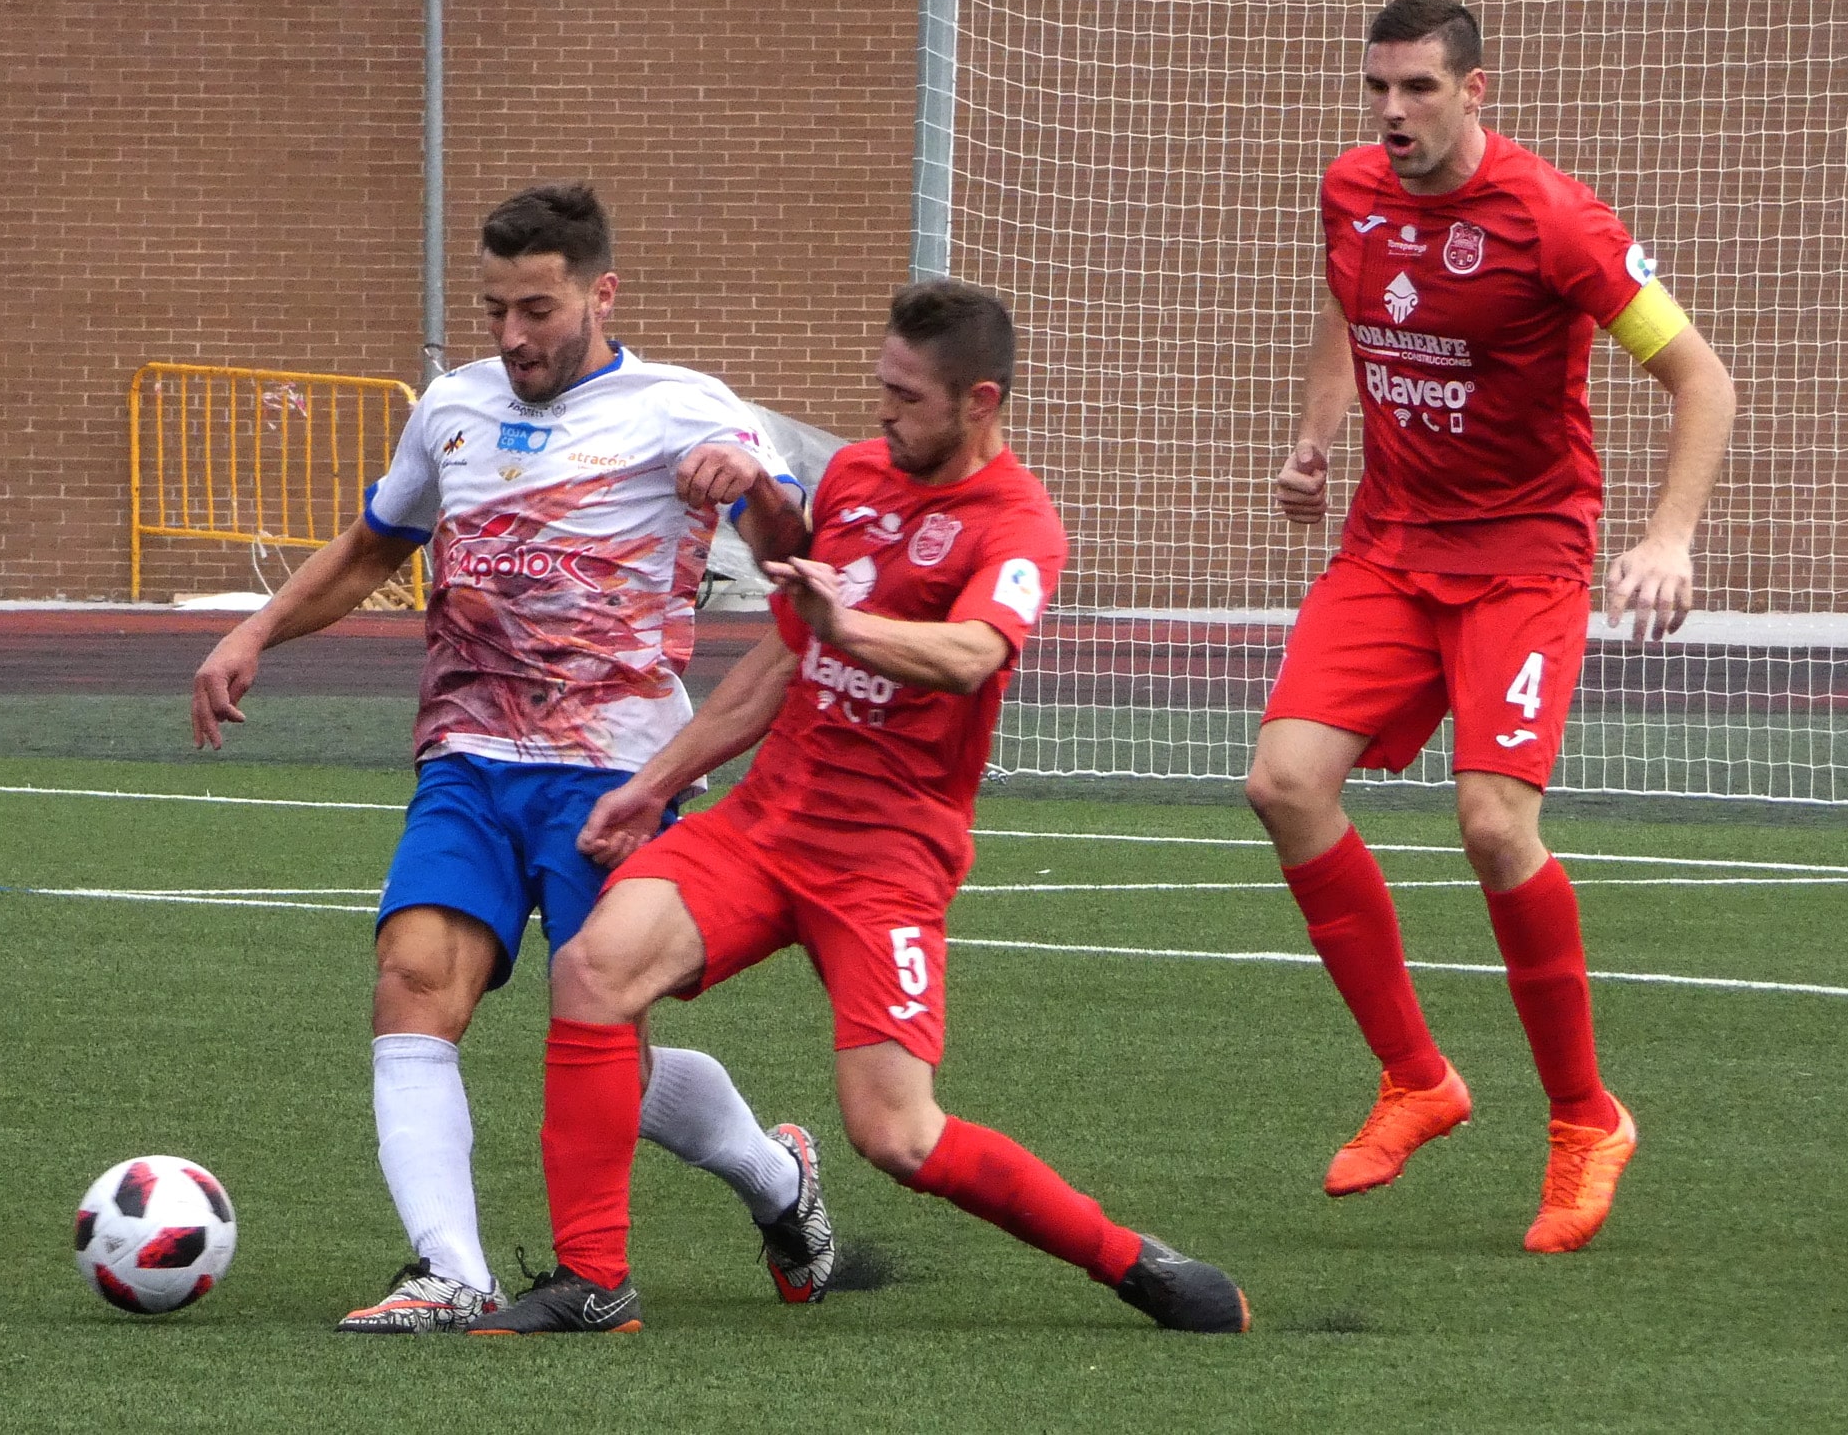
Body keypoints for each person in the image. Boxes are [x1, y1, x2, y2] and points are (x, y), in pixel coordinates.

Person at [464, 279, 1249, 1337]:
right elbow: (781, 659)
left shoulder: (1018, 524)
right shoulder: (862, 480)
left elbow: (974, 656)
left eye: (904, 396)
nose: (880, 413)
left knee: (897, 1134)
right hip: (764, 823)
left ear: (978, 401)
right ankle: (591, 1281)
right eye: (878, 389)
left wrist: (852, 622)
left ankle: (1131, 1261)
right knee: (593, 969)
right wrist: (649, 788)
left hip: (888, 859)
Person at [190, 181, 837, 1330]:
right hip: (468, 759)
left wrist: (756, 495)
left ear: (601, 292)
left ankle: (777, 1175)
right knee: (412, 984)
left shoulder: (685, 407)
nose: (512, 336)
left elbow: (795, 556)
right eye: (495, 309)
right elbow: (374, 543)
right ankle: (451, 1271)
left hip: (616, 775)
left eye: (536, 308)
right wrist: (253, 629)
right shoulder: (451, 407)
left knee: (607, 1052)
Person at [1246, 0, 1735, 1252]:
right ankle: (1417, 1078)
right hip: (1390, 547)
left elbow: (1700, 379)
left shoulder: (1554, 220)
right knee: (1285, 783)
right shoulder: (1350, 191)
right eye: (1378, 90)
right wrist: (1312, 441)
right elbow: (1349, 322)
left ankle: (1584, 1118)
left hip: (1522, 556)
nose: (1392, 113)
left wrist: (1668, 536)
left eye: (1417, 89)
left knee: (1488, 822)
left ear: (1475, 90)